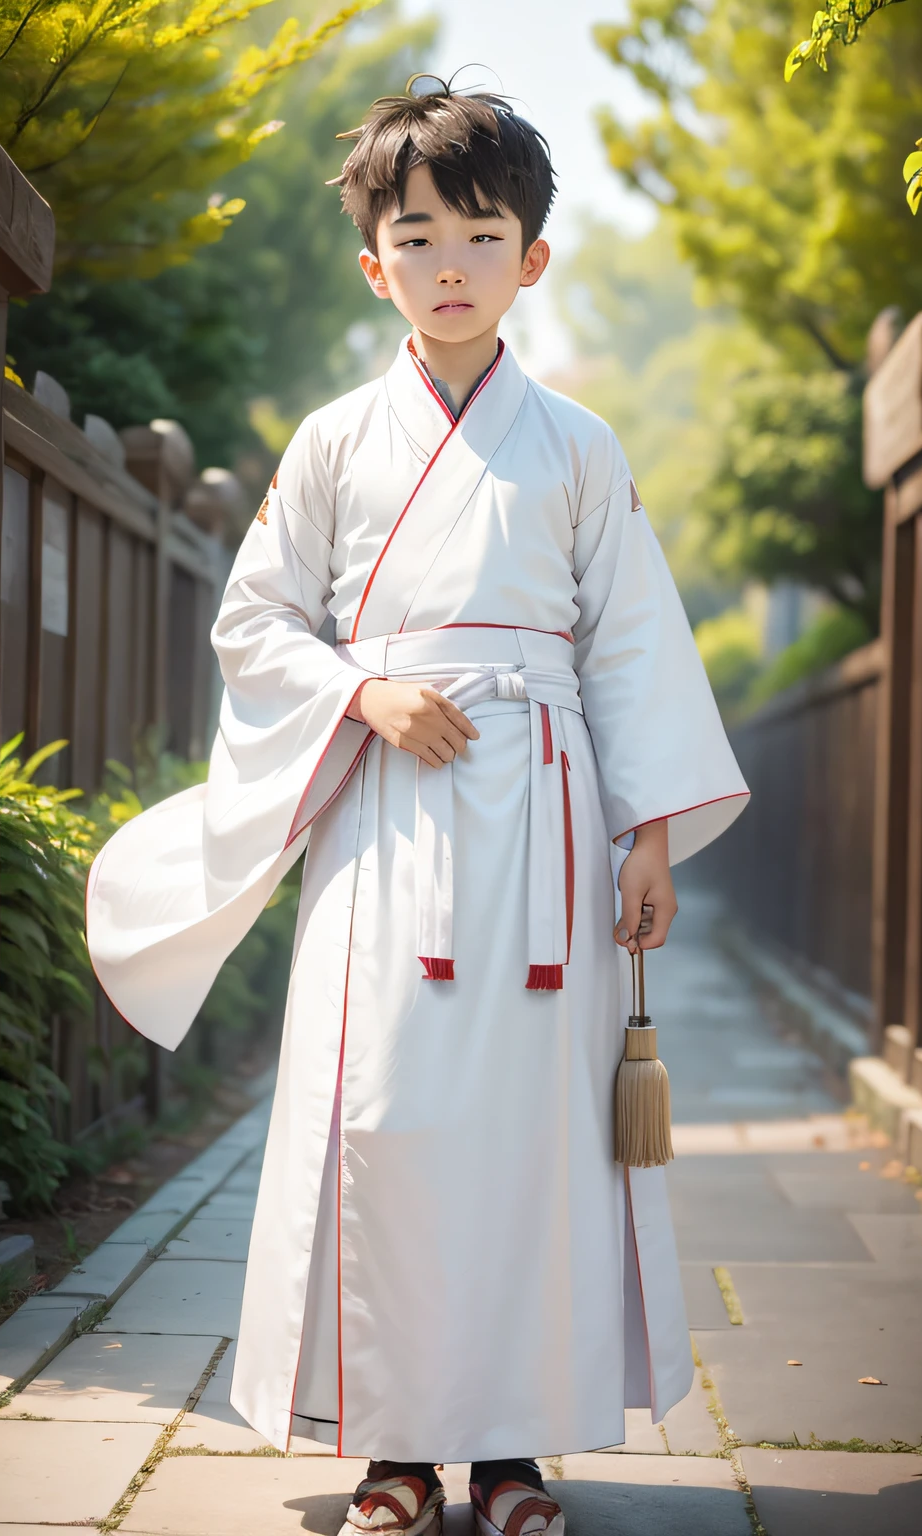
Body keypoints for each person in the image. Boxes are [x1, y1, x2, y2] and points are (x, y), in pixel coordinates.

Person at [86, 76, 748, 1536]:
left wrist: (646, 838)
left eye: (481, 234)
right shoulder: (332, 443)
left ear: (534, 258)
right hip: (388, 816)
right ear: (373, 261)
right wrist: (362, 694)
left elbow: (630, 641)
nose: (451, 265)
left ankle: (509, 1451)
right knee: (381, 1117)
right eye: (420, 235)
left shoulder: (578, 445)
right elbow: (257, 624)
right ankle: (390, 1444)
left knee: (531, 1137)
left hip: (547, 835)